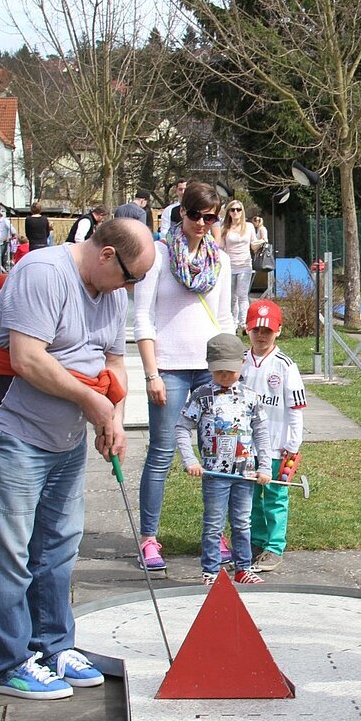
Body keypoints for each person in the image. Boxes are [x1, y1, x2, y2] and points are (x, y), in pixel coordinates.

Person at [0, 218, 156, 699]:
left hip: (62, 438)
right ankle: (9, 663)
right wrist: (92, 404)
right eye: (129, 276)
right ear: (106, 254)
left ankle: (53, 646)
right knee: (10, 551)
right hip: (11, 428)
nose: (131, 287)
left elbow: (111, 362)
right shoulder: (43, 273)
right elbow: (27, 358)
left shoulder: (112, 293)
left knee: (59, 545)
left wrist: (113, 418)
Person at [133, 180, 232, 573]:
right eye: (196, 215)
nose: (203, 224)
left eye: (212, 217)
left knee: (216, 454)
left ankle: (214, 534)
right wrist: (151, 373)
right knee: (161, 453)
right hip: (169, 369)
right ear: (182, 212)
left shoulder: (219, 261)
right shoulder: (158, 256)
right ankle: (149, 538)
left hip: (209, 367)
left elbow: (224, 318)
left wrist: (230, 370)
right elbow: (142, 316)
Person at [176, 333, 271, 586]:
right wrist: (190, 460)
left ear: (242, 364)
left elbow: (261, 433)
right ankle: (210, 571)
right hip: (215, 475)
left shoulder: (251, 397)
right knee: (213, 524)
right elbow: (182, 428)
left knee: (242, 522)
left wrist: (264, 466)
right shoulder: (201, 396)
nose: (225, 377)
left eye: (230, 371)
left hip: (245, 474)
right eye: (219, 372)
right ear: (209, 368)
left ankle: (243, 568)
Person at [241, 300, 306, 574]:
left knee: (275, 497)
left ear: (278, 331)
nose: (262, 335)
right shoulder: (241, 363)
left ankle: (274, 547)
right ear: (248, 330)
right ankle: (255, 542)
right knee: (251, 495)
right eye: (256, 329)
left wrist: (293, 445)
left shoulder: (286, 366)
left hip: (277, 446)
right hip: (246, 445)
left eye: (268, 330)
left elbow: (295, 410)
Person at [221, 200, 259, 328]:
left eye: (238, 209)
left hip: (244, 265)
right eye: (232, 210)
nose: (236, 212)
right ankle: (233, 323)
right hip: (229, 266)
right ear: (229, 212)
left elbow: (253, 245)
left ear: (242, 211)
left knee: (242, 295)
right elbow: (221, 247)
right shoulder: (224, 227)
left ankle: (245, 323)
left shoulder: (249, 227)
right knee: (231, 296)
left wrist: (261, 242)